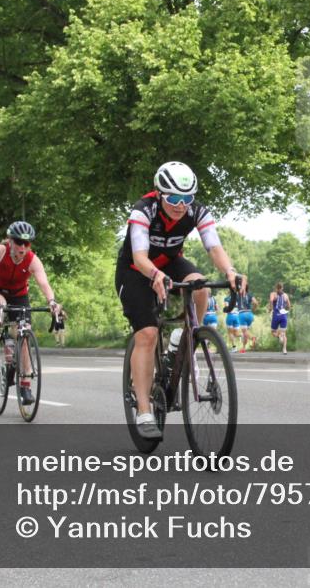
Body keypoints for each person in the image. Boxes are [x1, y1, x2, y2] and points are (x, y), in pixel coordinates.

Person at [116, 161, 244, 439]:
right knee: (148, 334)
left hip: (171, 262)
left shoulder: (196, 211)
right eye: (173, 198)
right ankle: (144, 409)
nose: (180, 204)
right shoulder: (143, 210)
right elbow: (139, 257)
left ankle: (185, 335)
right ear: (159, 193)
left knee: (200, 286)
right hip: (136, 270)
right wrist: (155, 274)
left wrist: (230, 271)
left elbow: (213, 245)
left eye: (187, 198)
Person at [0, 214, 62, 406]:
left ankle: (25, 385)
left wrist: (52, 302)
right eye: (19, 242)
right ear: (10, 241)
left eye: (27, 243)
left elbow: (44, 283)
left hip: (18, 295)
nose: (23, 247)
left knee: (23, 335)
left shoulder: (33, 260)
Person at [269, 282, 292, 355]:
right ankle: (284, 349)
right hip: (283, 315)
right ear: (282, 288)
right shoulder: (285, 295)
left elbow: (271, 300)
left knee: (273, 332)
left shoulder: (273, 294)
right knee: (284, 333)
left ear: (276, 288)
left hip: (276, 315)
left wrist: (270, 308)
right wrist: (286, 310)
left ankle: (279, 335)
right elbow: (289, 305)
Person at [235, 283, 259, 353]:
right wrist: (254, 309)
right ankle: (243, 348)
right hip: (250, 314)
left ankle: (252, 338)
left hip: (242, 315)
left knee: (244, 332)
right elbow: (256, 303)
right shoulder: (249, 294)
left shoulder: (238, 295)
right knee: (245, 332)